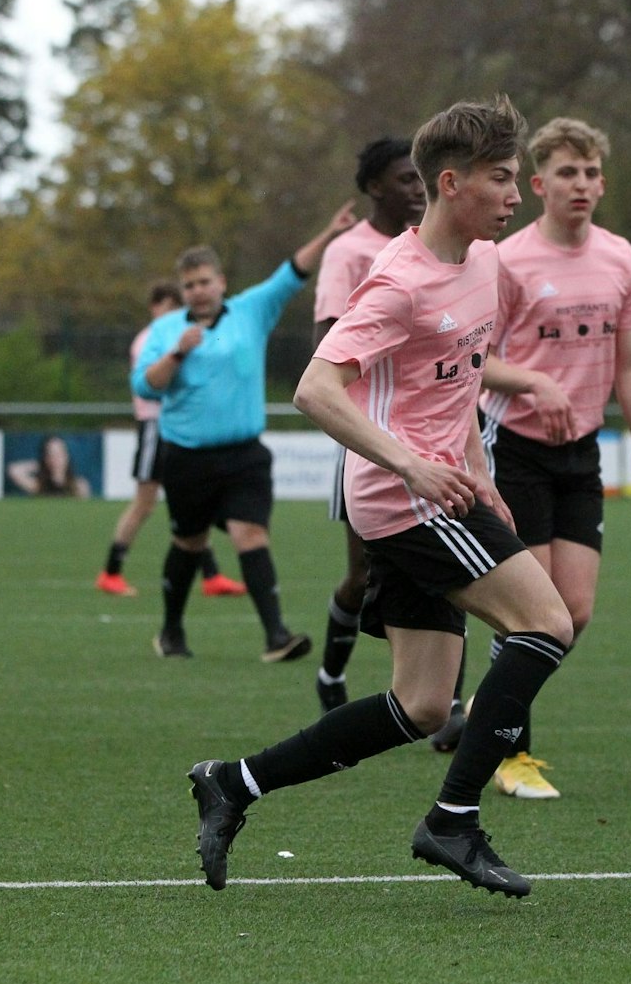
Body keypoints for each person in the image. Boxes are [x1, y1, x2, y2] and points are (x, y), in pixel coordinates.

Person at [186, 95, 577, 900]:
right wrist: (413, 465)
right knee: (547, 623)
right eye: (502, 179)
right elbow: (315, 389)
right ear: (451, 182)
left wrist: (480, 470)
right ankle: (454, 819)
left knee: (423, 703)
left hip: (441, 486)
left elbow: (460, 381)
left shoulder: (485, 264)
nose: (516, 195)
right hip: (408, 499)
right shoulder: (398, 281)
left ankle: (234, 781)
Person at [472, 116, 631, 800]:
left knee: (574, 611)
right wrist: (533, 381)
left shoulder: (620, 257)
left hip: (581, 452)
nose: (580, 184)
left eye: (590, 173)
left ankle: (491, 700)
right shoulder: (508, 260)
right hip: (514, 446)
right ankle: (509, 754)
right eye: (566, 172)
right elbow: (472, 359)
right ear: (539, 184)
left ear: (601, 184)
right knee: (533, 609)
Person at [132, 205, 354, 662]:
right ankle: (170, 631)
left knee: (250, 534)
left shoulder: (250, 310)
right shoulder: (166, 330)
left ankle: (276, 637)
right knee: (189, 542)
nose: (198, 291)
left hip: (244, 455)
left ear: (221, 282)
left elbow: (290, 275)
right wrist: (176, 354)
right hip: (187, 458)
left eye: (204, 281)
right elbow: (144, 386)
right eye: (189, 285)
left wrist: (330, 232)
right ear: (182, 291)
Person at [313, 139, 428, 711]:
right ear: (375, 187)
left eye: (422, 178)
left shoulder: (435, 245)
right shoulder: (349, 253)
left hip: (432, 433)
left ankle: (445, 703)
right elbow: (327, 346)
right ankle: (331, 672)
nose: (419, 189)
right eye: (406, 179)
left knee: (443, 568)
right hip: (371, 434)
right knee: (364, 577)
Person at [99, 281, 245, 598]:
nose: (173, 314)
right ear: (155, 308)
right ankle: (111, 571)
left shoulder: (177, 334)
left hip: (176, 428)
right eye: (168, 308)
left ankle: (211, 575)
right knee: (145, 503)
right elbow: (153, 384)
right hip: (156, 427)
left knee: (192, 502)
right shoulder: (150, 339)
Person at [7, 434, 91, 498]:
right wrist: (41, 464)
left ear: (66, 456)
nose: (55, 459)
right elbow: (13, 470)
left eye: (59, 454)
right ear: (45, 458)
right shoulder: (38, 486)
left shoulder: (79, 485)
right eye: (50, 454)